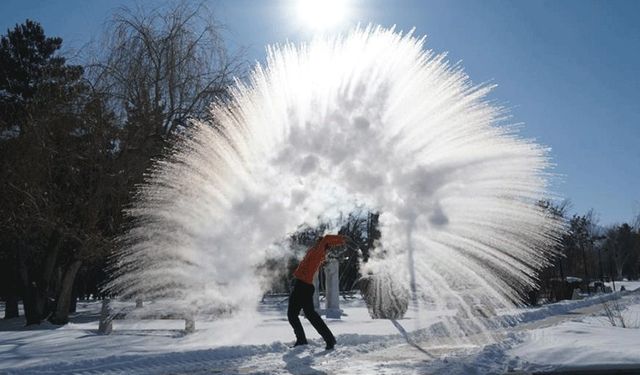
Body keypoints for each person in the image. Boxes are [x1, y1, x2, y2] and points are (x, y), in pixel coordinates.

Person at [288, 234, 346, 350]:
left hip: (303, 287)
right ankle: (307, 340)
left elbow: (327, 239)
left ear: (322, 244)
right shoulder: (313, 251)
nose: (316, 241)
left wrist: (342, 239)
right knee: (299, 315)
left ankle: (323, 339)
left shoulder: (318, 252)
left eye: (318, 241)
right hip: (301, 285)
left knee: (300, 315)